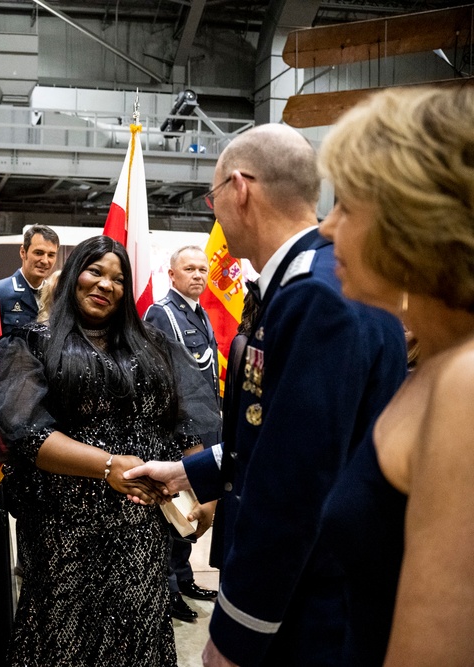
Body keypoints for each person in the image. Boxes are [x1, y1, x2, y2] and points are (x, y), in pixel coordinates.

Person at [125, 123, 407, 666]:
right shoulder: (319, 277)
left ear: (239, 189)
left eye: (213, 199)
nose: (216, 213)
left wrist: (238, 633)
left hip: (310, 602)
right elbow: (275, 427)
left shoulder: (314, 297)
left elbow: (294, 485)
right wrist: (187, 472)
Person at [0, 235, 219, 666]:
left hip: (141, 534)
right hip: (63, 535)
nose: (105, 284)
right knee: (65, 644)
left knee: (137, 639)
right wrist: (107, 466)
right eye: (95, 271)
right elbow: (26, 434)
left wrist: (205, 492)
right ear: (74, 276)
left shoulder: (153, 345)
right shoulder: (33, 344)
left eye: (118, 277)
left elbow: (184, 420)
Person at [316, 86, 474, 666]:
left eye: (348, 206)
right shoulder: (433, 359)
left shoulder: (466, 381)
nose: (328, 228)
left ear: (416, 220)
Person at [142, 245, 220, 623]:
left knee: (193, 514)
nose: (198, 275)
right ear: (171, 274)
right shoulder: (162, 314)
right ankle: (169, 589)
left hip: (204, 425)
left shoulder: (199, 314)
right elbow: (169, 382)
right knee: (176, 512)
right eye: (189, 269)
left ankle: (185, 578)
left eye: (203, 269)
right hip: (179, 430)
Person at [0, 225, 59, 335]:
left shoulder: (56, 296)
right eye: (38, 253)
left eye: (51, 255)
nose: (45, 261)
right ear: (23, 252)